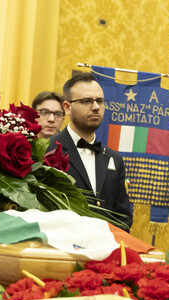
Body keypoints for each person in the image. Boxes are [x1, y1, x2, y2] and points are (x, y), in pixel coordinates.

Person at [47, 72, 132, 231]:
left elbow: (123, 217)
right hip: (60, 249)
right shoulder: (46, 150)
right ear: (67, 107)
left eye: (100, 101)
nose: (96, 107)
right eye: (86, 101)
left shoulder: (114, 159)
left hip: (104, 250)